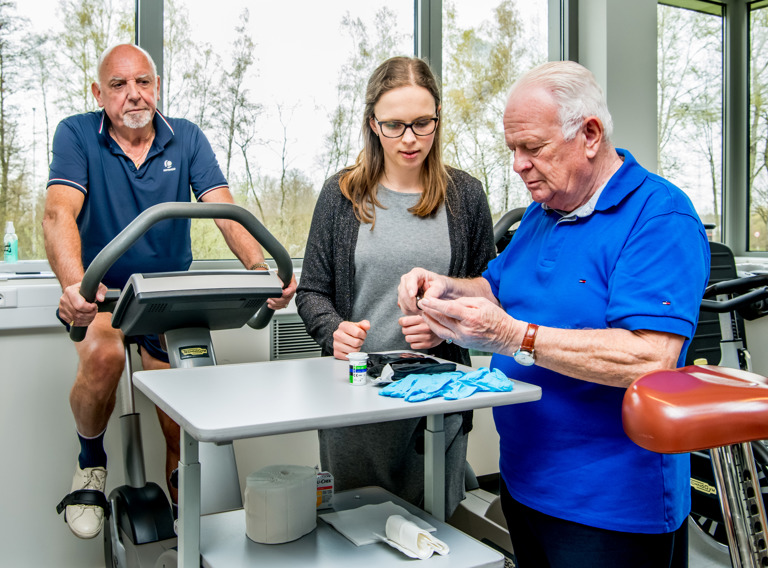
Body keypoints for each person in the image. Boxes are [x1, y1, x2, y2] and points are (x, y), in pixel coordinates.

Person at [398, 60, 710, 567]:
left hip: (610, 508)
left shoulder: (659, 217)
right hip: (526, 484)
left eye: (533, 148)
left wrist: (516, 338)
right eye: (513, 150)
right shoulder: (545, 214)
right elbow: (497, 289)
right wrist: (446, 288)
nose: (519, 164)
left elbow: (649, 359)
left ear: (589, 134)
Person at [42, 43, 297, 540]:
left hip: (166, 296)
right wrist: (75, 287)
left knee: (185, 411)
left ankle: (190, 522)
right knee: (103, 357)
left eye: (143, 82)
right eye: (119, 85)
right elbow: (58, 214)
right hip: (104, 293)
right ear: (99, 93)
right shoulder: (76, 134)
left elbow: (224, 210)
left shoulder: (187, 139)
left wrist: (262, 269)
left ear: (157, 87)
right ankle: (90, 465)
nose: (133, 94)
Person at [295, 56, 495, 517]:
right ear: (372, 124)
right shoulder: (340, 194)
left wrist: (445, 330)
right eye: (394, 125)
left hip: (435, 398)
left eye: (423, 123)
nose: (409, 139)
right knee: (352, 530)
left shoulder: (465, 196)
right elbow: (311, 292)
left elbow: (489, 290)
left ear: (438, 119)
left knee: (434, 533)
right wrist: (333, 330)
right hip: (354, 399)